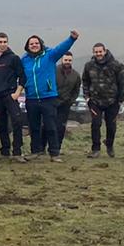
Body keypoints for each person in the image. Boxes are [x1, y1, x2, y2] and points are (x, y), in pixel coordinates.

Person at [19, 30, 79, 160]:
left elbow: (61, 48)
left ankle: (54, 153)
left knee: (50, 126)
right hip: (31, 98)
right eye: (31, 44)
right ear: (27, 46)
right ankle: (35, 151)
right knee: (34, 127)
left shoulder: (49, 55)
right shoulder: (24, 59)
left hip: (48, 97)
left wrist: (71, 39)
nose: (34, 45)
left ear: (40, 44)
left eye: (36, 43)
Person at [0, 32, 26, 160]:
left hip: (10, 95)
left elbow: (23, 77)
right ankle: (5, 151)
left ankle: (17, 151)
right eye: (0, 42)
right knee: (1, 125)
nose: (2, 44)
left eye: (4, 42)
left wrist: (17, 93)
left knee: (17, 121)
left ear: (7, 43)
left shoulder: (14, 58)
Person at [81, 43, 124, 158]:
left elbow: (122, 82)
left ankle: (110, 145)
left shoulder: (117, 65)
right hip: (95, 101)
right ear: (93, 52)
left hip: (112, 101)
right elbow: (85, 81)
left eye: (100, 52)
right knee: (96, 124)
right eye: (96, 52)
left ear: (105, 51)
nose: (98, 54)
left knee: (111, 125)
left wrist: (121, 99)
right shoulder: (88, 66)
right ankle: (95, 149)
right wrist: (86, 96)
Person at [55, 53, 81, 142]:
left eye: (69, 60)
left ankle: (57, 148)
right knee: (46, 126)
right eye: (65, 60)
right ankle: (42, 147)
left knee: (61, 127)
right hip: (51, 103)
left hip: (65, 105)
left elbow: (76, 90)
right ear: (62, 60)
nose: (67, 62)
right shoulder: (53, 71)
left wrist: (70, 101)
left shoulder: (76, 75)